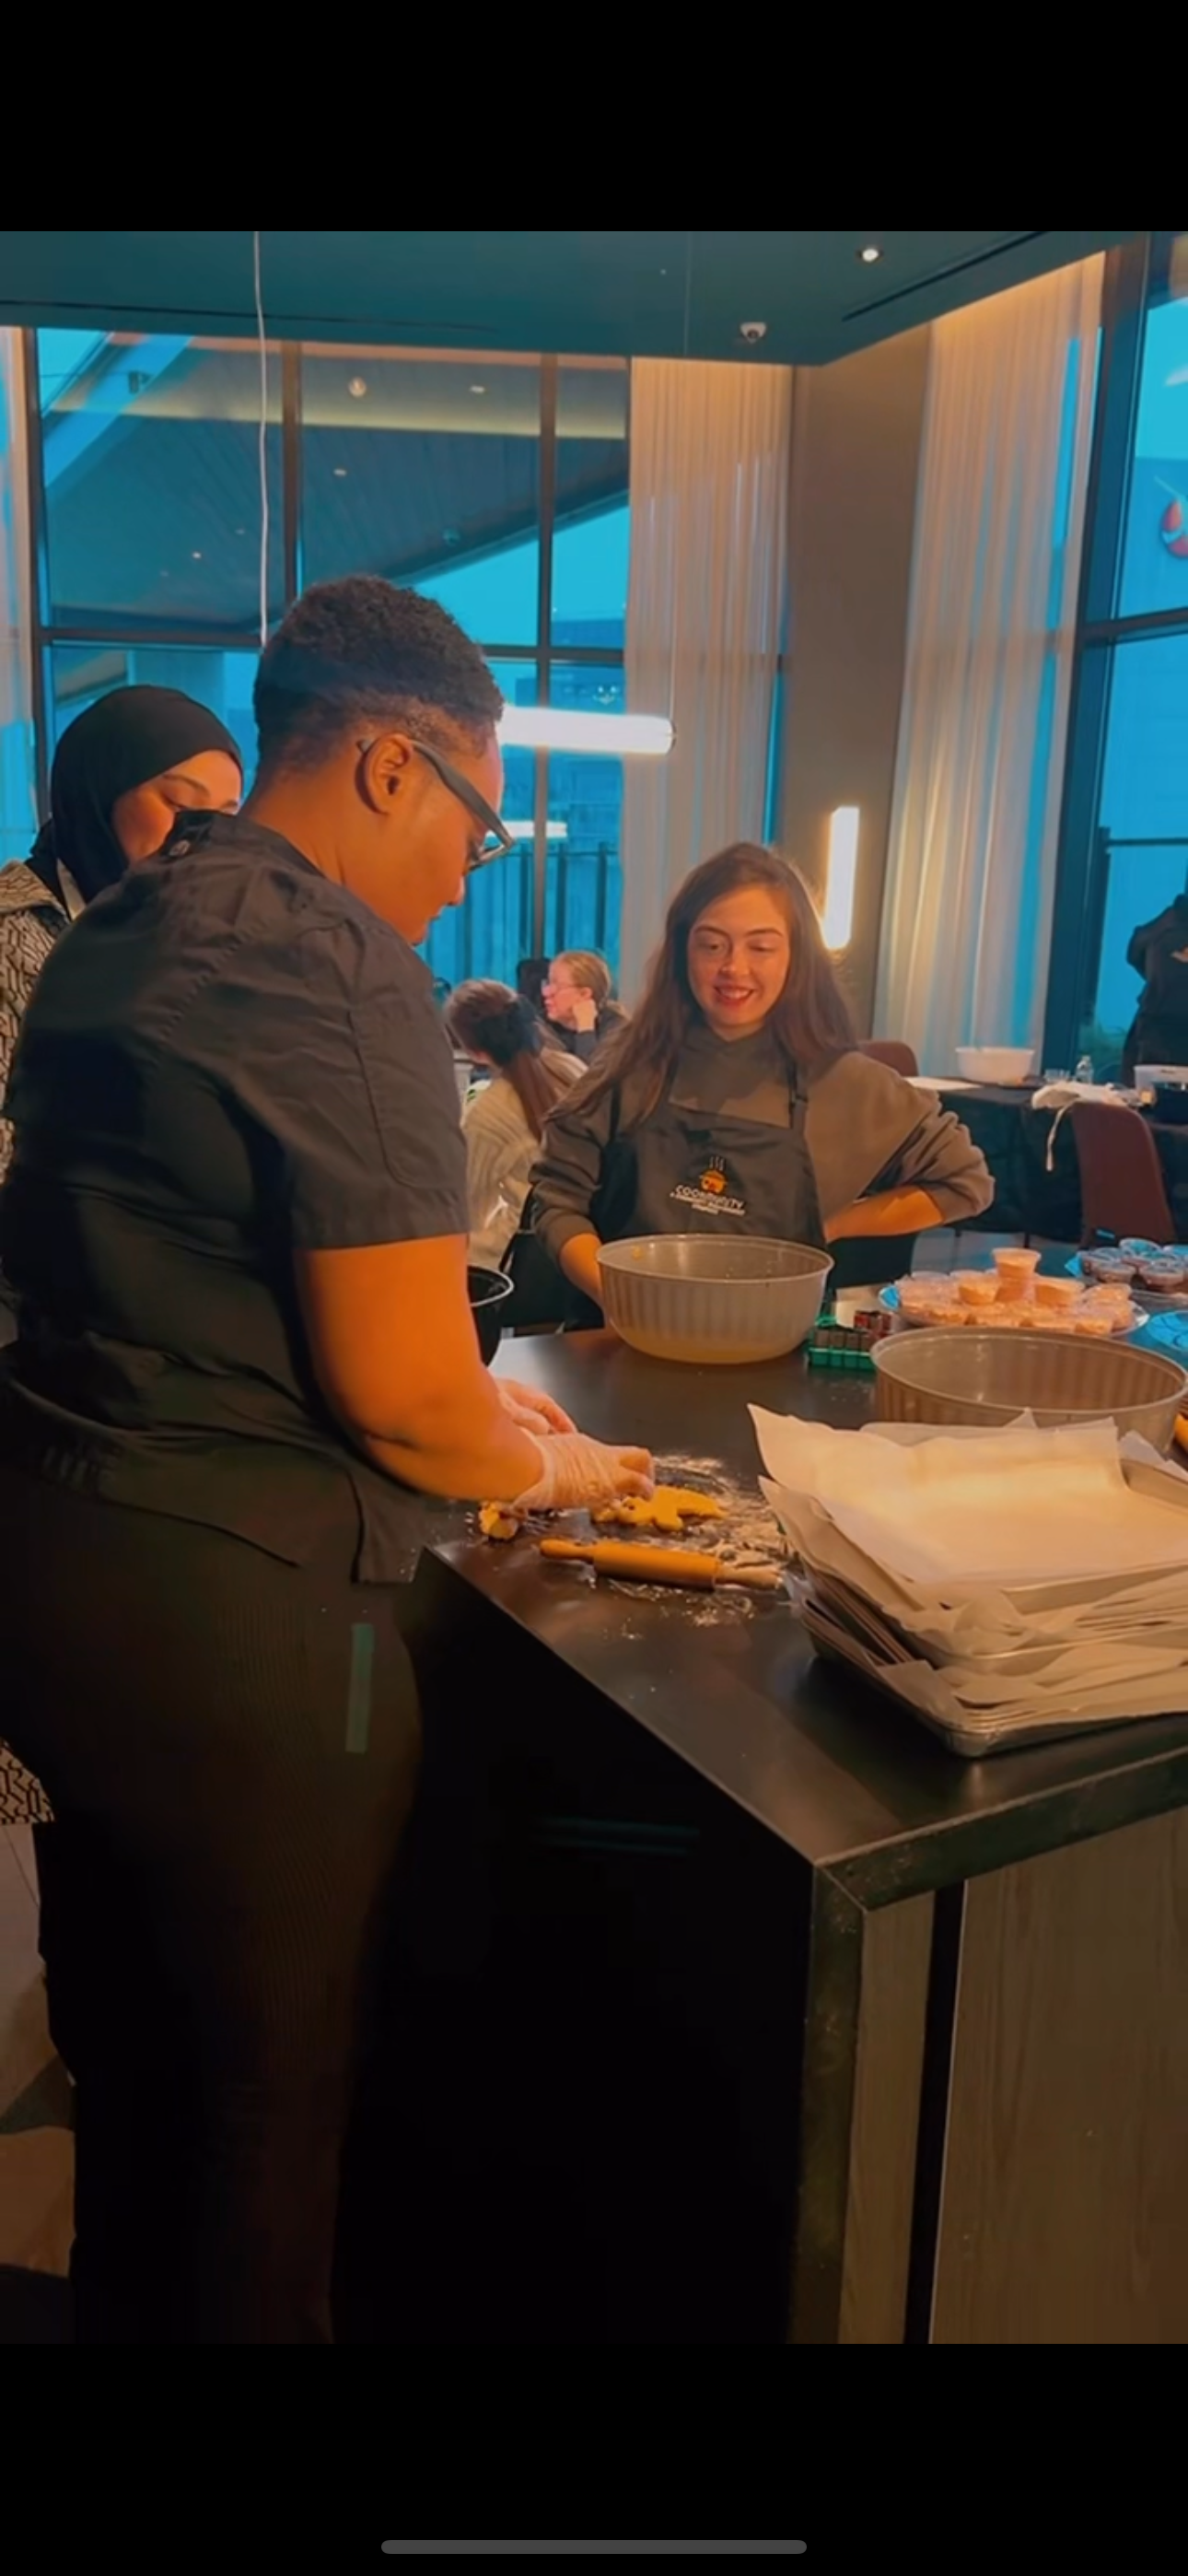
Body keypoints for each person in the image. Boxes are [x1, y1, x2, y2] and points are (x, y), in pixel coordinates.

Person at [0, 575, 651, 2345]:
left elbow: (202, 1271)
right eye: (475, 810)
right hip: (244, 1629)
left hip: (64, 1578)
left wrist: (466, 1394)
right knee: (261, 2137)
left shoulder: (122, 922)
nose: (474, 860)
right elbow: (403, 1403)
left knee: (134, 2077)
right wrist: (546, 1464)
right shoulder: (344, 967)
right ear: (385, 764)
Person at [0, 686, 244, 1840]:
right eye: (178, 806)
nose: (203, 839)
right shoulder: (17, 937)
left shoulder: (174, 941)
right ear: (101, 800)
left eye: (226, 817)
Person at [530, 842, 993, 1316]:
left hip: (770, 1350)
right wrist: (623, 1299)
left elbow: (964, 1184)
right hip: (622, 1342)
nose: (734, 968)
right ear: (682, 952)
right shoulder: (629, 1066)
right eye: (712, 945)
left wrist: (831, 1225)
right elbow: (556, 1201)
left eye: (762, 946)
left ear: (797, 957)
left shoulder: (848, 1083)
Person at [445, 979, 586, 1325]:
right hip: (577, 1248)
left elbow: (468, 1206)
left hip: (526, 1265)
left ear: (473, 1050)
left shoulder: (488, 1112)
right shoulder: (572, 1068)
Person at [1122, 892, 1188, 1082]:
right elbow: (1136, 954)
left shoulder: (1163, 925)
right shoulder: (1167, 927)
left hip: (1153, 1032)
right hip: (1156, 1038)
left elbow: (1135, 955)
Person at [542, 947, 629, 1064]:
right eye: (547, 983)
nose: (546, 992)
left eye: (556, 986)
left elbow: (590, 1079)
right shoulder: (540, 1027)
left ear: (584, 994)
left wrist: (585, 1029)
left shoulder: (617, 1032)